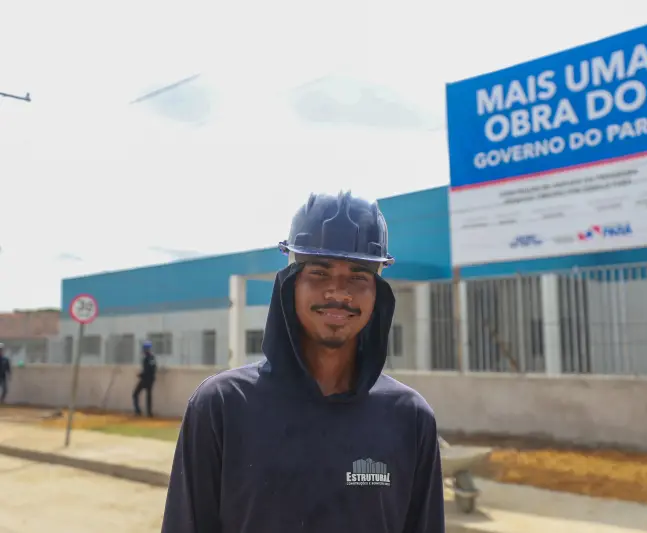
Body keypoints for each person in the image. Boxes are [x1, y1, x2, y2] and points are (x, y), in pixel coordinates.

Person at [161, 191, 445, 533]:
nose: (338, 292)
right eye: (320, 273)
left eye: (358, 276)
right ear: (291, 284)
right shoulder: (223, 405)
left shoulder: (410, 418)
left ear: (378, 294)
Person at [133, 340, 157, 417]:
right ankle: (149, 413)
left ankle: (138, 411)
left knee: (135, 394)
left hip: (145, 379)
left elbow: (147, 370)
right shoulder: (152, 357)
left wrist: (140, 375)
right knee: (148, 396)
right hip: (151, 379)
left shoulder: (146, 358)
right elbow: (154, 369)